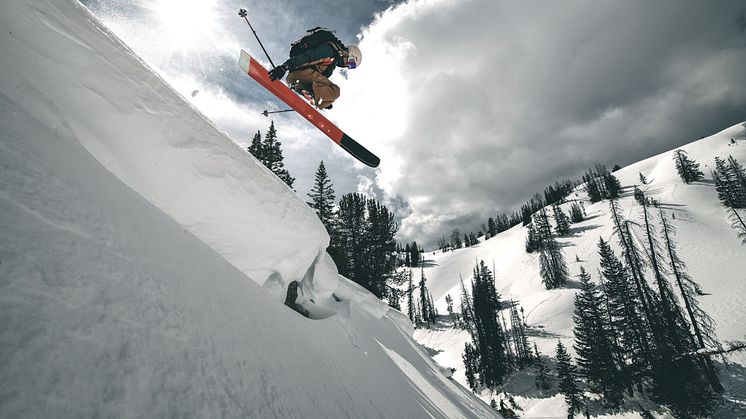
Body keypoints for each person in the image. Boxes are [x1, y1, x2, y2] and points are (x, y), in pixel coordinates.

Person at [268, 27, 362, 110]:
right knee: (335, 90)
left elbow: (319, 81)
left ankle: (306, 92)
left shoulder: (332, 63)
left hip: (299, 79)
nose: (348, 65)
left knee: (332, 92)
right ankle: (309, 94)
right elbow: (308, 57)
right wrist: (284, 67)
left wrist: (326, 99)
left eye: (351, 66)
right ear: (348, 53)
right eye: (351, 62)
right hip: (298, 75)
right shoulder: (330, 51)